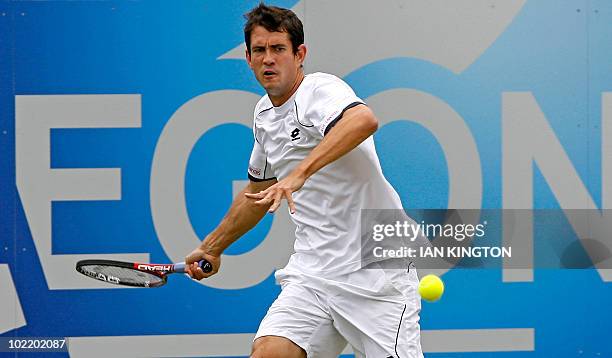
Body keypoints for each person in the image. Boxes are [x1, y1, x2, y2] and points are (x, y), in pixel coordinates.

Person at [186, 3, 424, 358]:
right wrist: (212, 246)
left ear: (300, 55)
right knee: (269, 353)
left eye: (278, 49)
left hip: (374, 272)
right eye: (260, 51)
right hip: (312, 273)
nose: (269, 59)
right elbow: (256, 194)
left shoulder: (319, 89)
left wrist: (298, 174)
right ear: (249, 59)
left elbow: (363, 120)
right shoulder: (264, 116)